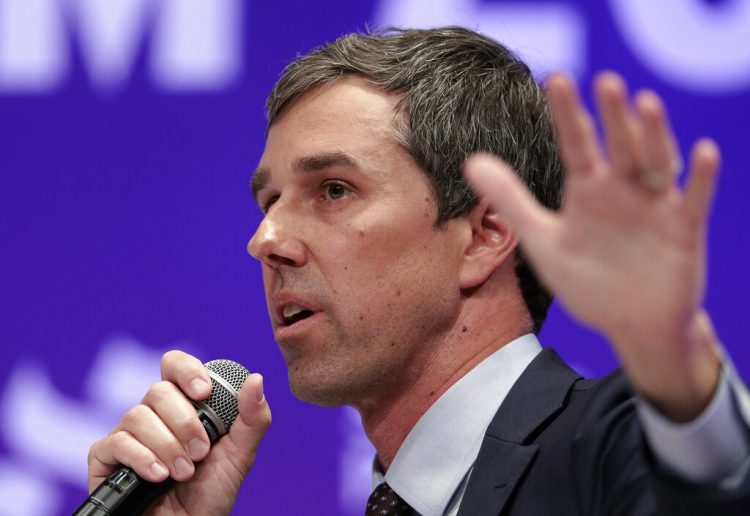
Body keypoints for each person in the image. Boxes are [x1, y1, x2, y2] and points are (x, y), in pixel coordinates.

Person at [86, 27, 750, 514]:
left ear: (484, 235)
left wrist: (679, 376)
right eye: (269, 201)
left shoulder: (610, 450)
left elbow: (711, 481)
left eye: (334, 190)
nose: (266, 240)